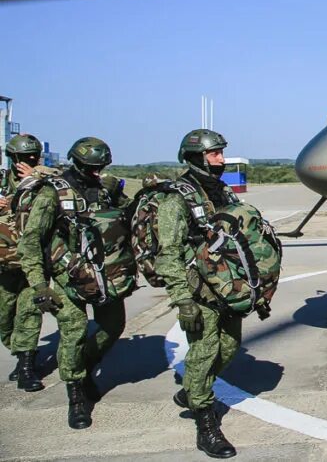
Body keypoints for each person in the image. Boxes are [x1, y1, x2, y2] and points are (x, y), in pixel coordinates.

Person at [17, 137, 132, 429]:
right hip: (67, 276)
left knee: (112, 326)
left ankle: (82, 366)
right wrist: (39, 285)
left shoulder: (106, 190)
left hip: (105, 275)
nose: (96, 172)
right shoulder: (52, 194)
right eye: (91, 167)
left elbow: (129, 213)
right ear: (76, 163)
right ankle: (77, 395)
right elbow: (31, 242)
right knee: (73, 330)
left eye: (101, 167)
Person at [154, 129, 245, 459]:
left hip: (228, 287)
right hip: (199, 289)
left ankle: (193, 388)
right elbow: (168, 253)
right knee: (204, 352)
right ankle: (206, 427)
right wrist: (182, 300)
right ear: (195, 157)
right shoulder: (177, 199)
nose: (221, 159)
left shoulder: (222, 192)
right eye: (214, 154)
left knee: (230, 346)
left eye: (221, 153)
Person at [0, 134, 47, 391]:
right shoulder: (1, 181)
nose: (27, 162)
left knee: (29, 312)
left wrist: (35, 176)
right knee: (4, 317)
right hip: (3, 262)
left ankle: (26, 365)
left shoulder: (44, 181)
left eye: (33, 157)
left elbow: (63, 188)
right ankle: (20, 351)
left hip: (33, 262)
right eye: (22, 158)